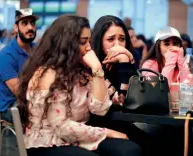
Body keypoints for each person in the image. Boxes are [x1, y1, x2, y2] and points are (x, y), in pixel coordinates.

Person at [17, 15, 141, 156]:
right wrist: (109, 133)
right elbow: (62, 127)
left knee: (130, 150)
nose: (89, 47)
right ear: (66, 45)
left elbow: (100, 109)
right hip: (48, 142)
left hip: (76, 138)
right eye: (83, 42)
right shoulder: (48, 74)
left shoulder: (81, 72)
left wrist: (97, 69)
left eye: (89, 41)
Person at [91, 15, 157, 156]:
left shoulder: (124, 62)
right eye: (110, 39)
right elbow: (122, 100)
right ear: (99, 41)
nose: (117, 45)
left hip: (121, 123)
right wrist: (124, 59)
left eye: (122, 39)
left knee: (158, 144)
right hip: (96, 127)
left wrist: (125, 60)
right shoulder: (92, 65)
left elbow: (134, 99)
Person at [141, 26, 190, 156]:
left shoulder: (184, 63)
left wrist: (181, 64)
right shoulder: (149, 65)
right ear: (158, 46)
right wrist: (170, 63)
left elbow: (188, 88)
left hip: (181, 116)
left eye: (175, 44)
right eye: (166, 43)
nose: (171, 47)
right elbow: (159, 91)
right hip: (157, 118)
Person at [0, 8, 38, 122]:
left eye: (32, 23)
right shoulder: (6, 55)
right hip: (10, 107)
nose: (30, 27)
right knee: (45, 115)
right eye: (24, 23)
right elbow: (19, 92)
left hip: (33, 98)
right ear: (16, 27)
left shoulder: (37, 49)